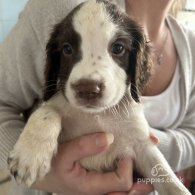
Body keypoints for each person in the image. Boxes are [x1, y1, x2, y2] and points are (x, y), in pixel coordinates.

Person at [0, 0, 194, 194]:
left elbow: (150, 149)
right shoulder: (54, 6)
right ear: (55, 60)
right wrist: (49, 178)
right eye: (68, 50)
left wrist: (136, 141)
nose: (89, 80)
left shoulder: (190, 45)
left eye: (117, 48)